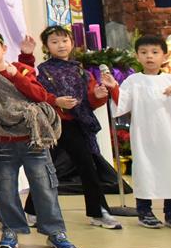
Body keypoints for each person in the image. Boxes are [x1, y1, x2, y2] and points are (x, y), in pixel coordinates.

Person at [0, 28, 77, 248]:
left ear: (3, 49)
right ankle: (10, 230)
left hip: (32, 139)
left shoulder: (21, 70)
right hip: (2, 143)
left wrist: (16, 75)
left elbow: (38, 95)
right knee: (5, 190)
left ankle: (55, 232)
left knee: (44, 187)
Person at [21, 26, 122, 230]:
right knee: (45, 169)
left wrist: (98, 96)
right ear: (47, 47)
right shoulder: (43, 70)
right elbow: (30, 89)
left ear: (72, 43)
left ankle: (98, 211)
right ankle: (31, 211)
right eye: (54, 42)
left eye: (64, 40)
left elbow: (90, 101)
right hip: (51, 125)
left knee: (88, 167)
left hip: (76, 124)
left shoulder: (82, 72)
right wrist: (56, 101)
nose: (61, 45)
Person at [114, 34, 171, 229]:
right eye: (144, 52)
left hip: (167, 135)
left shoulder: (169, 80)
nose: (149, 56)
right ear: (137, 56)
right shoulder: (133, 81)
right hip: (144, 135)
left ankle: (169, 212)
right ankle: (144, 210)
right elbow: (121, 105)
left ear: (165, 56)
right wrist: (113, 88)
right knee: (145, 170)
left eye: (155, 52)